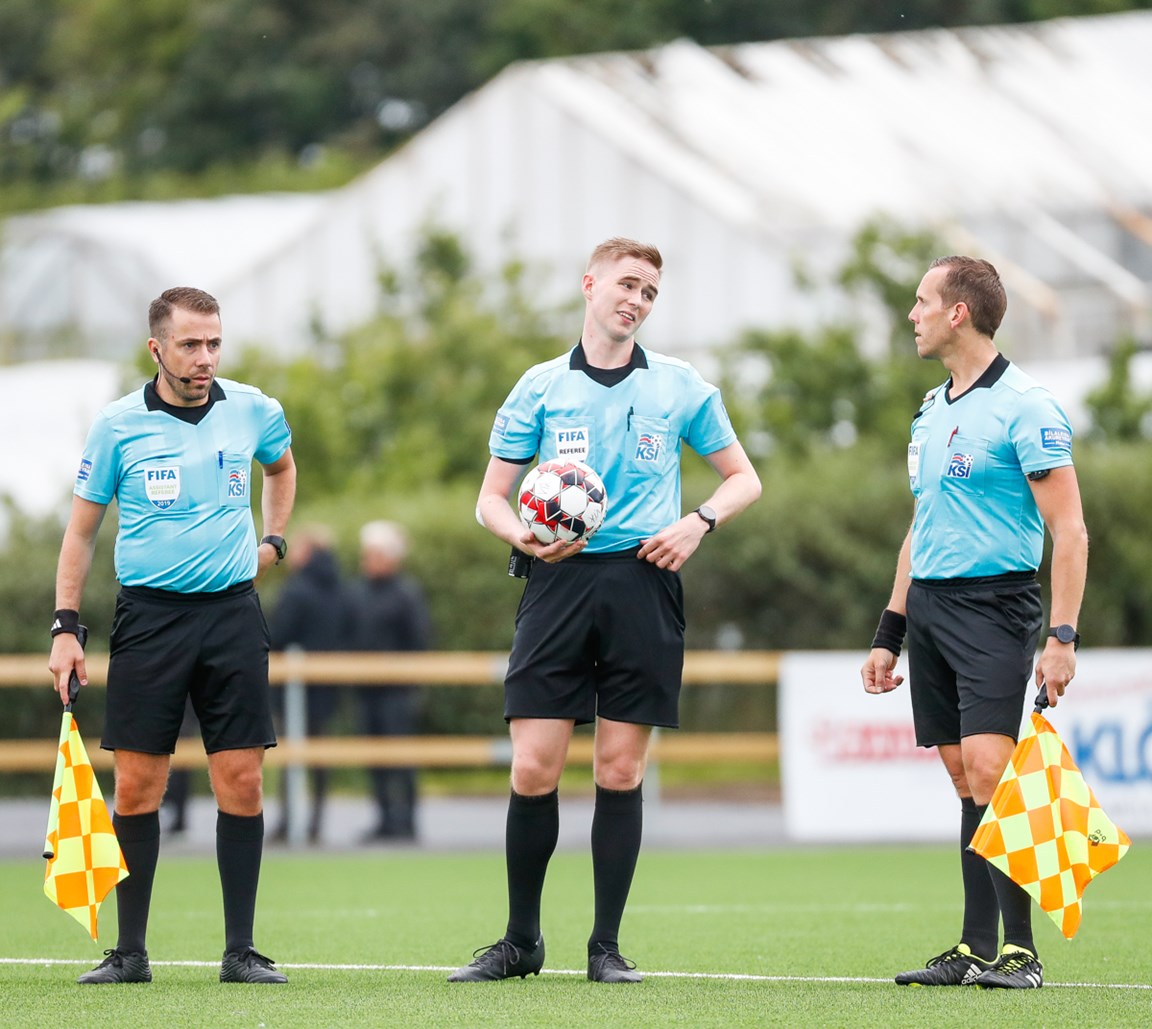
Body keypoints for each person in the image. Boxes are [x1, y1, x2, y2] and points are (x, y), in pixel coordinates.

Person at [448, 237, 761, 984]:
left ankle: (606, 948)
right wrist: (522, 535)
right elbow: (490, 498)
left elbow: (744, 479)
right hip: (556, 583)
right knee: (533, 766)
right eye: (627, 284)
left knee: (620, 769)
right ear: (590, 285)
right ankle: (520, 941)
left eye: (649, 291)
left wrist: (698, 522)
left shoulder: (681, 386)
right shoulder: (540, 386)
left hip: (643, 583)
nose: (637, 300)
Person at [48, 286, 296, 985]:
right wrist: (66, 627)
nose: (205, 357)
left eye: (213, 342)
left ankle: (241, 951)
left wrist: (273, 540)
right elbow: (81, 533)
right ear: (156, 348)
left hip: (232, 615)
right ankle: (129, 953)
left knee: (241, 780)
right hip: (149, 619)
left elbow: (280, 466)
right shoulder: (117, 425)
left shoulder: (255, 409)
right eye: (190, 344)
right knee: (136, 786)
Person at [860, 256, 1088, 990]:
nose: (912, 314)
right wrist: (890, 630)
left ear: (958, 312)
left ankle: (1021, 954)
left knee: (993, 771)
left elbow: (1071, 530)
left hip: (996, 605)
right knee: (966, 779)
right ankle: (972, 946)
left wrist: (1062, 636)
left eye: (922, 301)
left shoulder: (1028, 406)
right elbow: (921, 526)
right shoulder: (931, 409)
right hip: (929, 607)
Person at [269, 524, 354, 843]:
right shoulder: (340, 588)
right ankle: (316, 822)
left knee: (291, 751)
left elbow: (279, 633)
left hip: (294, 684)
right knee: (319, 752)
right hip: (326, 684)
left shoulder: (297, 589)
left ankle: (287, 821)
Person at [349, 520, 432, 842]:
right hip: (366, 689)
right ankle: (384, 819)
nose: (367, 560)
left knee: (401, 756)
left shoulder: (406, 594)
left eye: (374, 554)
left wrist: (409, 680)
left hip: (397, 691)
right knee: (375, 757)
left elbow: (419, 639)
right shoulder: (357, 592)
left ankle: (407, 821)